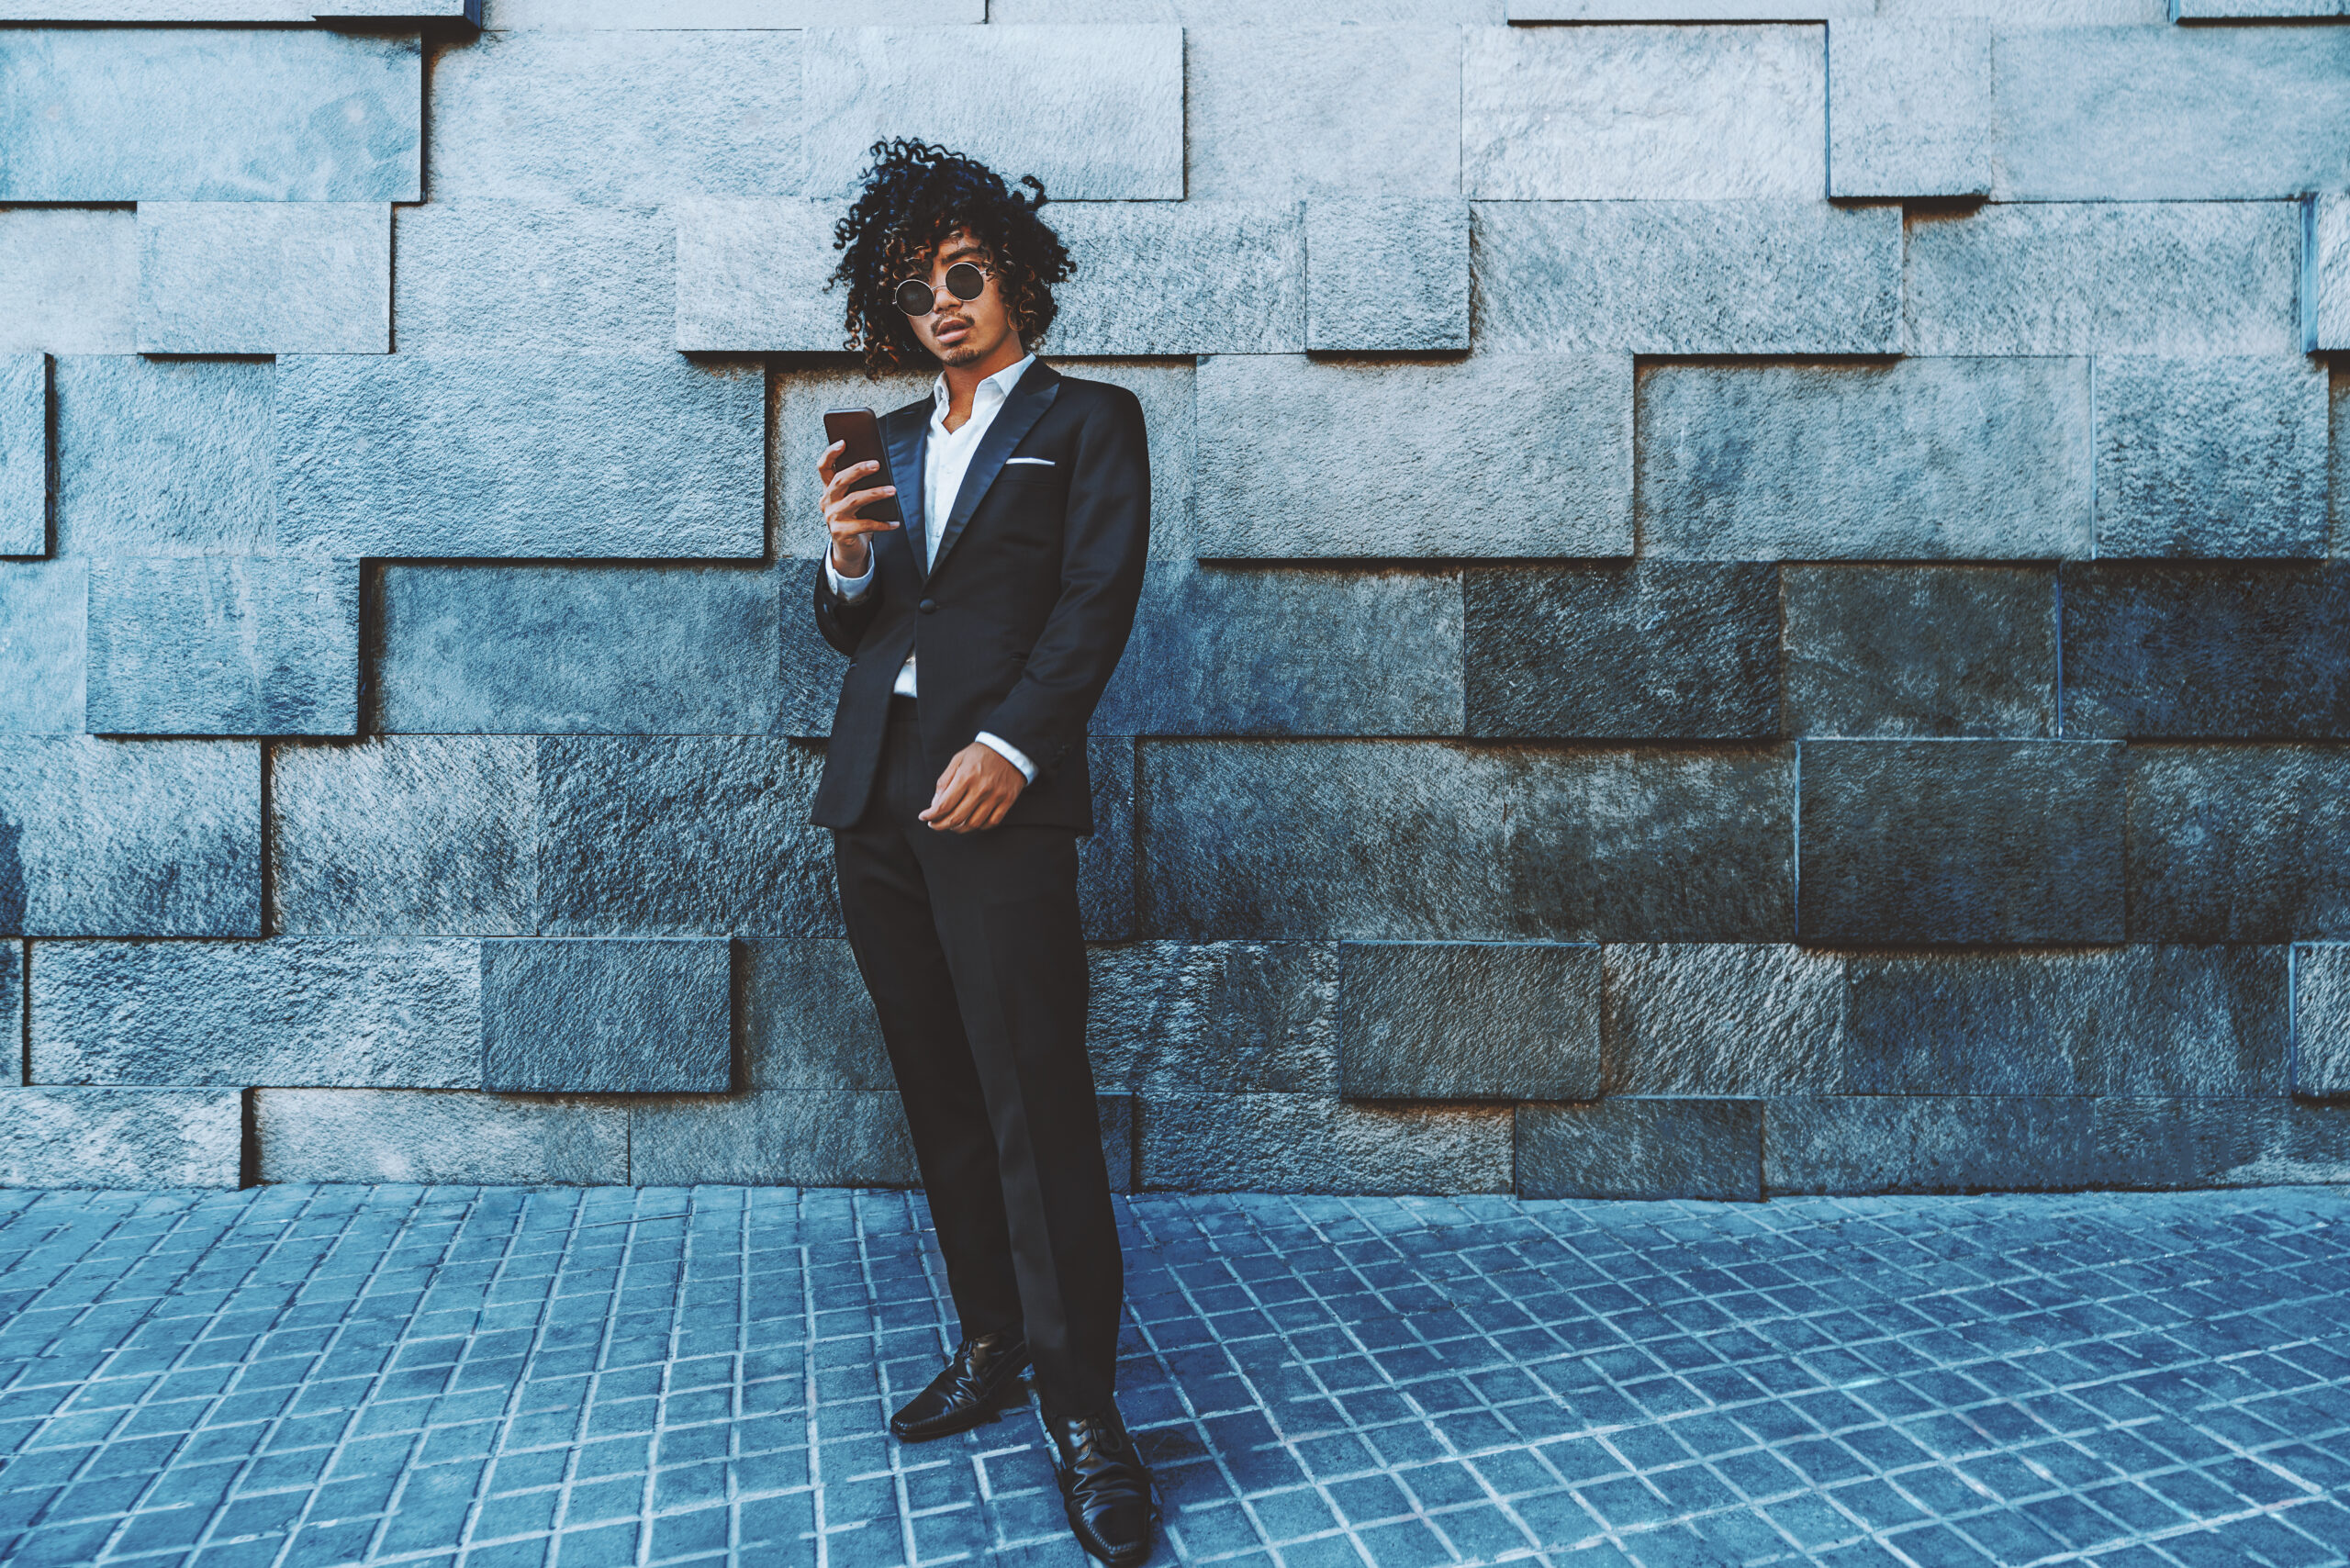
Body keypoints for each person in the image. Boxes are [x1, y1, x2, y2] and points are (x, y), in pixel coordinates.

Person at [808, 139, 1156, 1568]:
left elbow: (1095, 603)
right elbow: (864, 627)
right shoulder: (886, 437)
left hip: (996, 796)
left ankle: (1087, 1414)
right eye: (913, 287)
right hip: (874, 798)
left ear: (1015, 275)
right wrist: (838, 560)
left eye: (963, 275)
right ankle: (996, 1341)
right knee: (944, 1092)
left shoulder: (1091, 423)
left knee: (1033, 1094)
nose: (940, 304)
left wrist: (1009, 750)